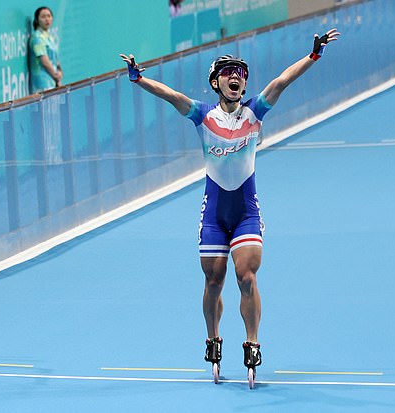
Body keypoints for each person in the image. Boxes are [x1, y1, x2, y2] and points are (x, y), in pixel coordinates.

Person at [120, 28, 340, 381]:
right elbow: (171, 95)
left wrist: (312, 55)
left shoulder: (255, 111)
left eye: (240, 73)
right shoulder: (202, 115)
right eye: (227, 73)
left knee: (247, 277)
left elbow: (282, 81)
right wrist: (139, 78)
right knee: (213, 282)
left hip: (245, 213)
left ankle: (252, 342)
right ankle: (213, 338)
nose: (235, 77)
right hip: (214, 214)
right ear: (215, 83)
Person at [29, 6, 62, 93]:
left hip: (53, 82)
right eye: (43, 17)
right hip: (43, 84)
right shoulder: (37, 38)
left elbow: (56, 61)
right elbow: (44, 61)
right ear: (37, 20)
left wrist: (59, 73)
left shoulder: (50, 37)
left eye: (49, 16)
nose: (47, 19)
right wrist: (55, 76)